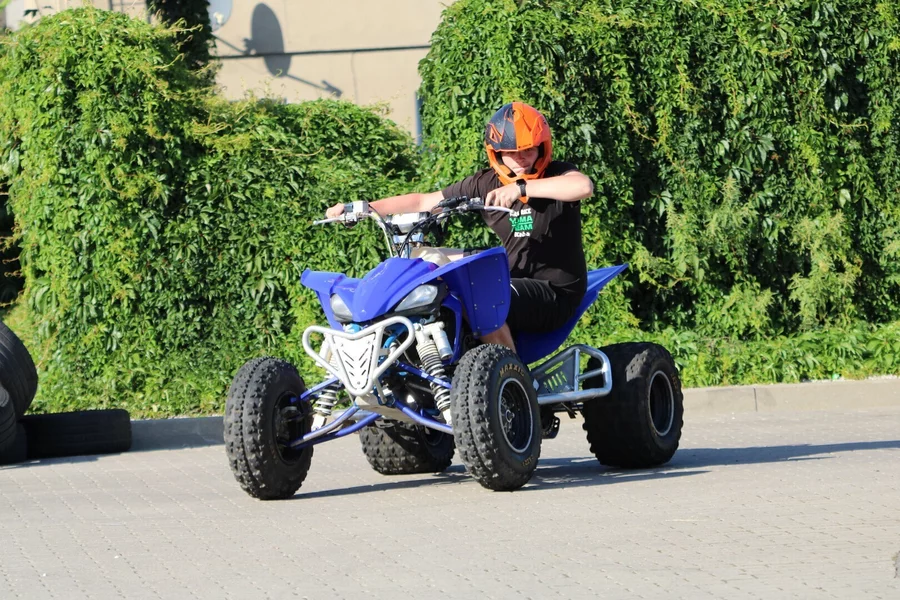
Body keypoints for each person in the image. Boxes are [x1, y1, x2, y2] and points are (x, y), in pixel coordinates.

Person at [324, 102, 593, 353]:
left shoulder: (557, 173)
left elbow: (582, 186)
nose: (521, 158)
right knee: (425, 264)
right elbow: (424, 201)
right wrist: (362, 208)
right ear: (497, 153)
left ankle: (510, 375)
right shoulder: (485, 183)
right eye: (512, 153)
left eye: (528, 150)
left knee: (481, 296)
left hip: (555, 291)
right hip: (513, 280)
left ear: (542, 148)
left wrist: (521, 188)